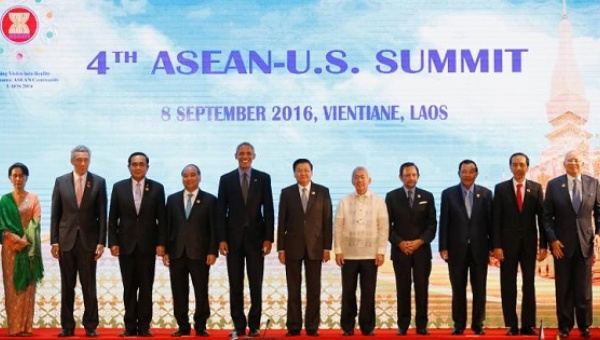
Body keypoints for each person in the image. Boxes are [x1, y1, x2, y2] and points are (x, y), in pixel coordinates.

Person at [217, 142, 274, 339]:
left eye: (248, 153)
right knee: (235, 284)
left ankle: (255, 325)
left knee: (255, 284)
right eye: (241, 153)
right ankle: (239, 326)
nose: (245, 156)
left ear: (254, 156)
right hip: (232, 241)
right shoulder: (226, 179)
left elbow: (268, 209)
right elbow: (220, 212)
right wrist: (221, 239)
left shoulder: (263, 178)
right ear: (235, 156)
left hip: (256, 240)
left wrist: (268, 238)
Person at [50, 145, 107, 338]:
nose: (82, 163)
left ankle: (90, 325)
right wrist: (54, 241)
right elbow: (55, 214)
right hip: (66, 242)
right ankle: (67, 326)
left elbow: (102, 214)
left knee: (89, 285)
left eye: (85, 160)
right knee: (67, 286)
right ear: (72, 161)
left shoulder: (98, 182)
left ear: (89, 161)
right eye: (78, 160)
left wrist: (101, 242)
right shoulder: (61, 182)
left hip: (89, 243)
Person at [108, 152, 166, 337]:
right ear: (129, 166)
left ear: (147, 167)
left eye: (141, 164)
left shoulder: (157, 188)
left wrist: (161, 243)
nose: (138, 167)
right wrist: (113, 242)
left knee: (146, 287)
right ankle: (130, 326)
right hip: (125, 245)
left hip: (148, 246)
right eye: (134, 164)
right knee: (129, 288)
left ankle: (145, 326)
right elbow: (112, 218)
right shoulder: (119, 187)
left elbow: (162, 219)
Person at [543, 149, 600, 339]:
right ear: (564, 164)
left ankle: (584, 326)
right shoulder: (553, 185)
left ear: (582, 164)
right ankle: (565, 326)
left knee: (584, 288)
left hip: (586, 243)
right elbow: (546, 217)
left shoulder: (593, 183)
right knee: (564, 287)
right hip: (562, 246)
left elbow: (599, 213)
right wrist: (553, 240)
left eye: (576, 160)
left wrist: (598, 234)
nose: (573, 163)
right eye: (569, 160)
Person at [492, 152, 546, 336]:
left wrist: (544, 245)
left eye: (522, 164)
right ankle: (512, 325)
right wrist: (496, 246)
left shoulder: (536, 188)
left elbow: (543, 219)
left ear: (527, 167)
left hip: (529, 245)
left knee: (528, 285)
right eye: (515, 164)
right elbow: (496, 220)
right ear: (510, 167)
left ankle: (527, 324)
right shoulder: (500, 189)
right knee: (508, 285)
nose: (518, 168)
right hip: (506, 246)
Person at [277, 158, 332, 337]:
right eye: (299, 170)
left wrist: (327, 248)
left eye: (306, 170)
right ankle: (293, 327)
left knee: (314, 289)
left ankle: (312, 327)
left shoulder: (323, 192)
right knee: (293, 289)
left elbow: (327, 222)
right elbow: (282, 222)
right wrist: (281, 248)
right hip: (292, 247)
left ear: (311, 172)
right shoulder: (287, 193)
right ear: (294, 173)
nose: (303, 173)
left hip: (316, 247)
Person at [438, 159, 492, 336]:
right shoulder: (449, 194)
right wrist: (443, 247)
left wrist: (492, 247)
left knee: (479, 289)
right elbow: (444, 222)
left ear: (476, 174)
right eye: (464, 171)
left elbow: (491, 223)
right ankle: (459, 324)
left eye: (471, 171)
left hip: (479, 249)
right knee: (458, 289)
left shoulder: (486, 194)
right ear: (459, 173)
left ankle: (478, 324)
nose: (467, 174)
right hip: (456, 250)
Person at [164, 164, 218, 337]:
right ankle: (183, 325)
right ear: (182, 178)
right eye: (185, 175)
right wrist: (165, 250)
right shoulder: (172, 200)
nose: (189, 178)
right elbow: (167, 227)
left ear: (199, 177)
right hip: (177, 253)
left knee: (201, 290)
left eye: (193, 175)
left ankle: (200, 325)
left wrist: (212, 251)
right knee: (178, 291)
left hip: (200, 253)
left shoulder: (210, 200)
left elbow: (213, 229)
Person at [334, 166, 388, 337]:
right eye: (356, 177)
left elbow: (383, 228)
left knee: (368, 292)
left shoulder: (378, 201)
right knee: (348, 292)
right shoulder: (344, 201)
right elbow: (338, 227)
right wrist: (338, 250)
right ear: (352, 181)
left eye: (363, 177)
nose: (360, 180)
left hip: (371, 256)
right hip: (348, 255)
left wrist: (381, 251)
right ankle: (348, 327)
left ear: (369, 180)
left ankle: (367, 327)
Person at [385, 162, 436, 336]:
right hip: (401, 251)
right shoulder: (392, 197)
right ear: (401, 177)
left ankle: (422, 325)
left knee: (422, 288)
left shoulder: (427, 196)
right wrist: (399, 243)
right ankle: (403, 325)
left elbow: (432, 225)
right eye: (407, 175)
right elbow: (387, 225)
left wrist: (420, 241)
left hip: (421, 251)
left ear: (418, 176)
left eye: (413, 175)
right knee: (403, 288)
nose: (411, 178)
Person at [0, 163, 43, 337]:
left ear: (26, 177)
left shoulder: (33, 198)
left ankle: (26, 327)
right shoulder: (4, 200)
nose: (18, 179)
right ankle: (14, 327)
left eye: (21, 175)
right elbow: (2, 225)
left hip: (29, 249)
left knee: (27, 287)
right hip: (10, 250)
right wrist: (16, 239)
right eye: (14, 175)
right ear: (10, 178)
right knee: (12, 288)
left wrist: (26, 239)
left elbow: (36, 220)